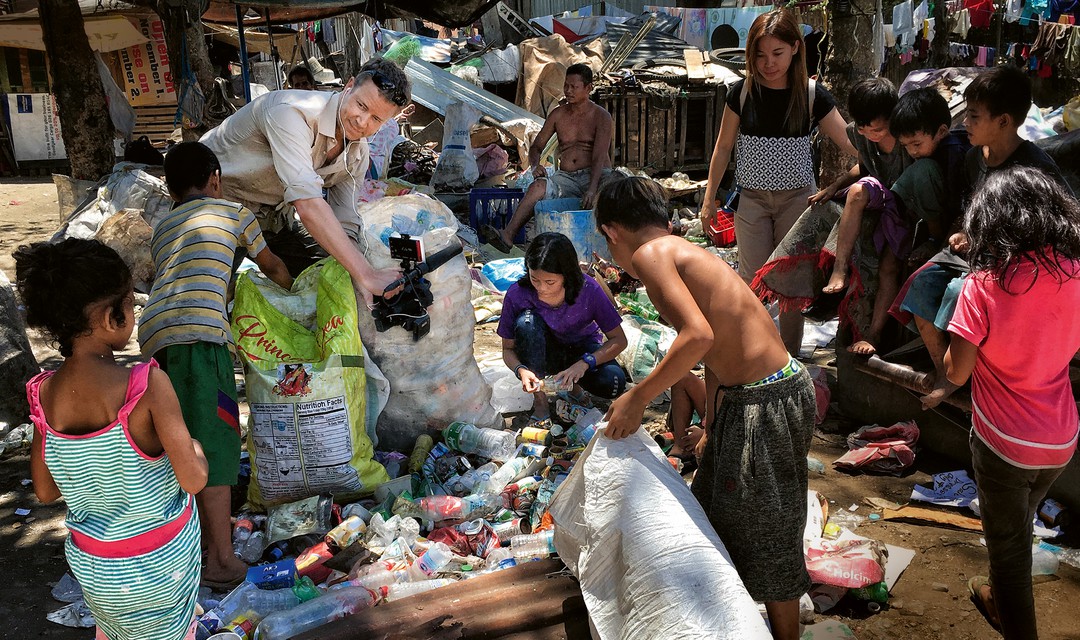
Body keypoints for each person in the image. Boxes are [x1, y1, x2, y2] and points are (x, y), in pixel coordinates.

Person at [598, 177, 815, 640]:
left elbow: (698, 337)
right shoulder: (678, 250)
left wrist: (636, 397)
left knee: (768, 525)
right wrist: (714, 418)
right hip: (748, 397)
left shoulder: (651, 255)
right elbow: (715, 345)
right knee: (718, 509)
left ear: (612, 231)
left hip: (768, 397)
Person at [16, 239, 209, 640]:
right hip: (161, 566)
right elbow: (192, 480)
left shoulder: (43, 394)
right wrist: (196, 451)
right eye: (131, 304)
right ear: (110, 317)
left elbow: (46, 490)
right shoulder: (146, 384)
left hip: (97, 571)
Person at [139, 142, 293, 588]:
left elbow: (192, 274)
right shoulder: (233, 212)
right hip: (199, 339)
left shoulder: (164, 225)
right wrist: (298, 298)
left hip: (155, 337)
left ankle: (188, 550)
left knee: (174, 441)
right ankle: (222, 560)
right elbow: (274, 266)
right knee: (217, 440)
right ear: (215, 179)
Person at [944, 166, 1080, 639]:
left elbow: (955, 371)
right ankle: (996, 597)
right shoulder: (1074, 274)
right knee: (1017, 525)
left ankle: (1013, 617)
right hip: (1060, 441)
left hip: (1004, 445)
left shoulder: (980, 285)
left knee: (1009, 553)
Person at [890, 66, 1071, 408]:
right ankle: (948, 373)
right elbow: (965, 206)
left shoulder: (1037, 166)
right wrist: (961, 231)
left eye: (973, 116)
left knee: (960, 293)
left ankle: (965, 377)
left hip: (1017, 268)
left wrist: (986, 242)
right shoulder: (973, 158)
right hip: (972, 258)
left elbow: (1054, 229)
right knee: (921, 285)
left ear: (1003, 121)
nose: (966, 124)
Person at [700, 8, 858, 356]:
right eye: (759, 54)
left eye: (777, 53)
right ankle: (752, 352)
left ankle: (790, 357)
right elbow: (723, 147)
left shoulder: (812, 94)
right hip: (751, 201)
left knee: (791, 283)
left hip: (798, 202)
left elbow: (848, 140)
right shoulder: (740, 93)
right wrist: (709, 199)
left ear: (796, 49)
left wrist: (880, 154)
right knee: (751, 278)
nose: (768, 63)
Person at [201, 57, 410, 298]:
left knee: (331, 272)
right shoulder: (290, 112)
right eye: (361, 106)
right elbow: (308, 203)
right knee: (205, 303)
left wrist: (360, 278)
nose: (362, 122)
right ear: (349, 86)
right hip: (215, 209)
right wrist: (366, 274)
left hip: (271, 219)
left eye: (376, 119)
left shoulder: (356, 155)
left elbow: (346, 221)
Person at [751, 78, 912, 339]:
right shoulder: (858, 134)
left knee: (887, 267)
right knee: (820, 211)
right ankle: (823, 278)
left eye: (878, 130)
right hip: (875, 202)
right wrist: (833, 187)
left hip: (900, 207)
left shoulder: (906, 137)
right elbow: (864, 166)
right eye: (865, 130)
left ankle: (870, 328)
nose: (871, 135)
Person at [828, 87, 970, 355]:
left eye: (915, 145)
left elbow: (959, 201)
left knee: (893, 269)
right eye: (908, 146)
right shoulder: (891, 142)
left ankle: (880, 336)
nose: (912, 151)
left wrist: (937, 239)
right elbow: (865, 167)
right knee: (887, 267)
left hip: (926, 224)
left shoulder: (942, 154)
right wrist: (836, 185)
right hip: (901, 215)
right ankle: (870, 326)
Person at [498, 233, 628, 426]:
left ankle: (573, 387)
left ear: (566, 276)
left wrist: (585, 363)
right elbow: (508, 349)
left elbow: (619, 340)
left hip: (579, 351)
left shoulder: (588, 289)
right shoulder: (518, 294)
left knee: (614, 382)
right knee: (527, 322)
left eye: (550, 282)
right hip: (542, 353)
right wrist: (521, 370)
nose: (541, 288)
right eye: (535, 279)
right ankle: (540, 402)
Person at [485, 64, 615, 252]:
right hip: (566, 178)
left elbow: (599, 156)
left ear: (588, 88)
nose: (568, 91)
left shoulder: (602, 116)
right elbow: (536, 147)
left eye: (574, 87)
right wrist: (535, 165)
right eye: (566, 86)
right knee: (537, 187)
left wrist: (592, 188)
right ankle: (507, 236)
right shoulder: (558, 114)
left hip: (597, 175)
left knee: (617, 187)